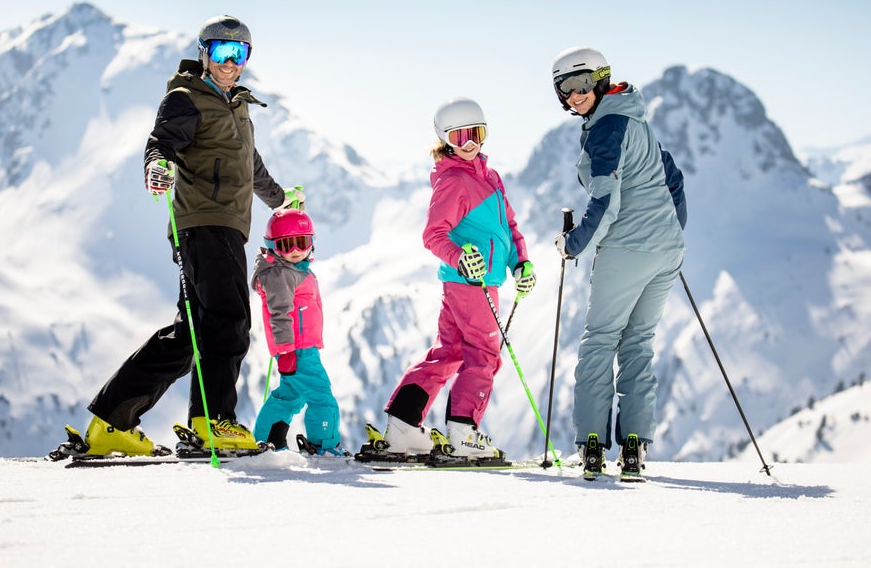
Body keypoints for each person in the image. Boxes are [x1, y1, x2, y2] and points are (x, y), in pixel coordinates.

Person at [81, 15, 303, 456]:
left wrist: (279, 200)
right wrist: (156, 166)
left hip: (224, 228)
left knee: (190, 335)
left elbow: (249, 165)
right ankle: (214, 422)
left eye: (238, 53)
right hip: (203, 224)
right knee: (229, 320)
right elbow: (161, 143)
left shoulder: (238, 106)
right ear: (203, 53)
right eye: (220, 51)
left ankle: (111, 422)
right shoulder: (187, 98)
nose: (229, 61)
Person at [550, 46, 686, 479]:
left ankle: (592, 444)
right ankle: (634, 446)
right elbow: (673, 179)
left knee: (599, 341)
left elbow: (605, 199)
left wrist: (574, 244)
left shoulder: (607, 127)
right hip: (666, 250)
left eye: (581, 84)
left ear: (601, 80)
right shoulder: (636, 119)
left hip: (627, 249)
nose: (574, 95)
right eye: (564, 88)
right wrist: (668, 232)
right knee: (638, 343)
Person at [381, 97, 536, 460]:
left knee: (449, 352)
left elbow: (509, 229)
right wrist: (462, 258)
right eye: (459, 136)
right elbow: (434, 234)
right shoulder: (454, 181)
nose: (469, 143)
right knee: (483, 354)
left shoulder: (491, 178)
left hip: (475, 282)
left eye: (476, 134)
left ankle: (402, 426)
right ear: (445, 139)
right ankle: (464, 431)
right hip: (471, 281)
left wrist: (521, 264)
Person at [251, 207, 346, 456]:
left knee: (290, 396)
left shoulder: (292, 269)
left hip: (301, 347)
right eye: (286, 245)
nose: (295, 250)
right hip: (297, 349)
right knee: (320, 396)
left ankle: (267, 441)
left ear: (311, 243)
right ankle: (323, 446)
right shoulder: (279, 274)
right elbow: (279, 313)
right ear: (272, 246)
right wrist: (285, 351)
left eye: (301, 242)